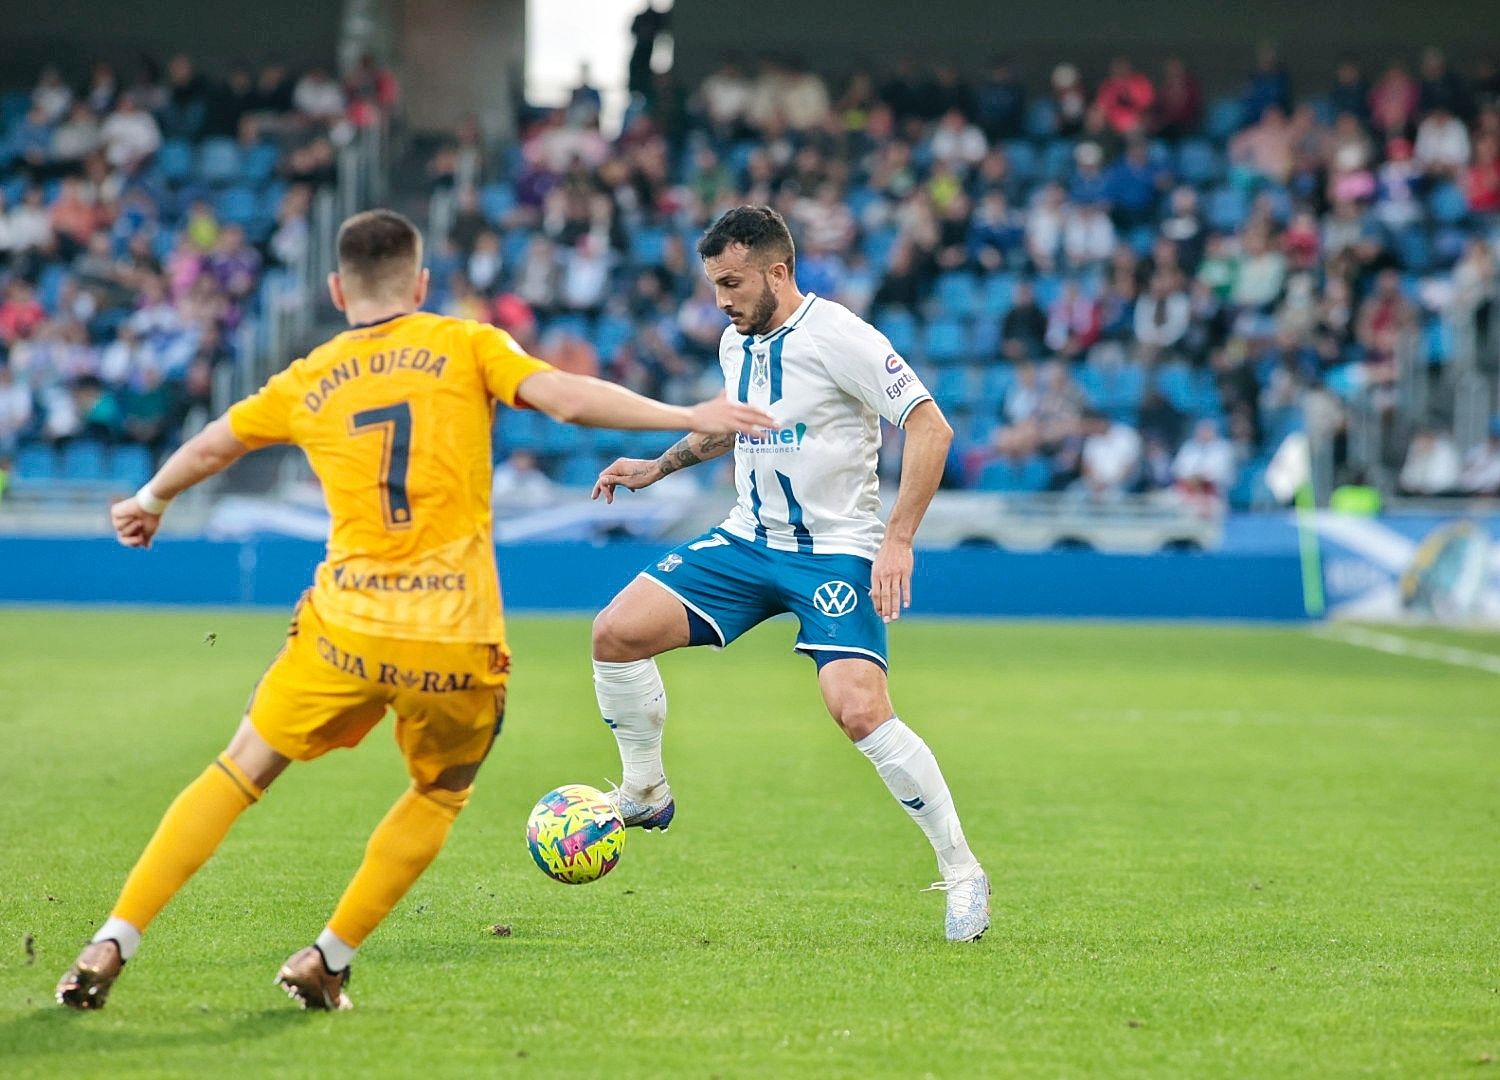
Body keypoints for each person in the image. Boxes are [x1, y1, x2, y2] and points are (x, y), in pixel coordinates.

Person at [55, 210, 774, 1012]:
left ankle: (114, 937)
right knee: (437, 791)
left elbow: (217, 442)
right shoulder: (465, 343)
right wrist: (687, 415)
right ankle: (329, 957)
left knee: (240, 769)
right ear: (422, 284)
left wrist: (151, 498)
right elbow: (565, 401)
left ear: (336, 289)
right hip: (455, 638)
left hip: (344, 628)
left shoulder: (310, 376)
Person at [587, 206, 989, 943]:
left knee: (859, 712)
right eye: (713, 285)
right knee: (615, 633)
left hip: (835, 550)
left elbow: (931, 427)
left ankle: (961, 870)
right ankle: (644, 788)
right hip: (748, 540)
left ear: (778, 271)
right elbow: (730, 425)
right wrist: (658, 465)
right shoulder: (734, 341)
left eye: (732, 282)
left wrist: (898, 540)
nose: (721, 300)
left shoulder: (841, 337)